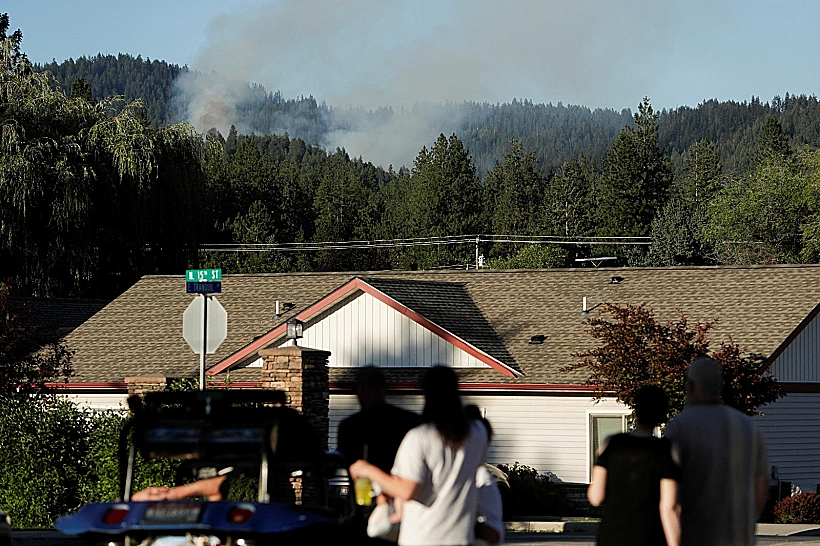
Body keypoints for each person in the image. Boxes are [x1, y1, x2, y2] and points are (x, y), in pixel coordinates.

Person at [349, 366, 489, 546]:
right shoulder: (477, 433)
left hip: (423, 536)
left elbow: (406, 490)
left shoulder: (420, 437)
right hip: (461, 536)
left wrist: (368, 470)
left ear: (426, 394)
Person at [664, 356, 769, 546]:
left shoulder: (680, 427)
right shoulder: (747, 427)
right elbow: (761, 483)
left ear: (690, 386)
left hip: (696, 537)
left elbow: (670, 500)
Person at [587, 384, 680, 546]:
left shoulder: (611, 444)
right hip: (650, 536)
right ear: (662, 414)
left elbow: (596, 497)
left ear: (636, 410)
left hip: (611, 535)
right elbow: (669, 507)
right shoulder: (666, 450)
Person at [337, 366, 419, 544]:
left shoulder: (349, 426)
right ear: (384, 388)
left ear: (359, 390)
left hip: (362, 505)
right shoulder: (409, 421)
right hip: (404, 504)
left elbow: (347, 464)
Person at [337, 366, 419, 472]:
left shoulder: (349, 426)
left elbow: (336, 463)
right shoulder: (408, 420)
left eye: (368, 389)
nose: (366, 394)